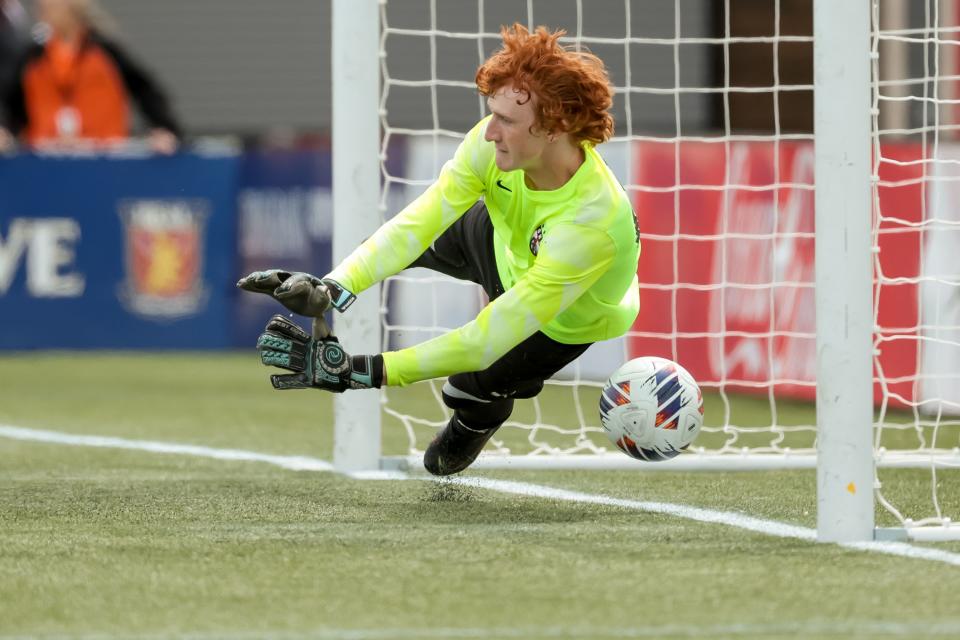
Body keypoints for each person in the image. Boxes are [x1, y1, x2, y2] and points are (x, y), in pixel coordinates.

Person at [239, 23, 641, 476]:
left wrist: (360, 370)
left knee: (469, 388)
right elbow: (418, 223)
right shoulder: (492, 147)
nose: (490, 132)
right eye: (492, 114)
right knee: (427, 237)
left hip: (567, 318)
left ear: (557, 126)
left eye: (507, 121)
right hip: (501, 244)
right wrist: (334, 287)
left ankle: (478, 418)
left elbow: (485, 340)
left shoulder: (592, 225)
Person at [0, 0, 181, 153]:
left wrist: (166, 128)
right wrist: (7, 131)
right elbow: (15, 102)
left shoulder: (104, 51)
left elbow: (144, 89)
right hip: (46, 158)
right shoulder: (33, 56)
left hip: (102, 156)